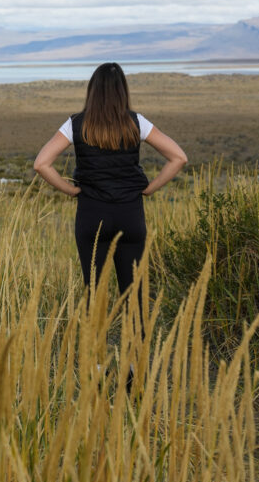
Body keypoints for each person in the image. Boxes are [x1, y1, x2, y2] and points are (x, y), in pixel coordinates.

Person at [33, 62, 187, 315]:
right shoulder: (136, 122)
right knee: (134, 295)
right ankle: (137, 351)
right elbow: (179, 157)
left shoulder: (75, 124)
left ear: (92, 91)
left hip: (92, 216)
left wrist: (71, 191)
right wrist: (150, 189)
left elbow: (41, 164)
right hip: (131, 216)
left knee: (94, 295)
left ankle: (94, 351)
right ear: (122, 91)